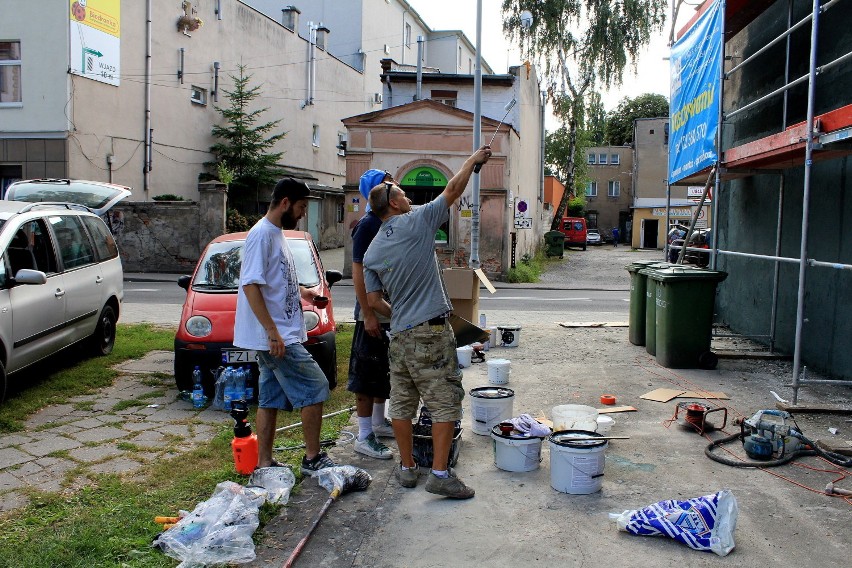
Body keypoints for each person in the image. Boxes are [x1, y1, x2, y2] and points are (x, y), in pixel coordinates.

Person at [362, 146, 492, 499]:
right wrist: (472, 161)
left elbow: (374, 302)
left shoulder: (373, 250)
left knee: (402, 403)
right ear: (392, 204)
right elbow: (452, 191)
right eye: (403, 194)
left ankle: (407, 469)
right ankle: (439, 473)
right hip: (430, 333)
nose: (408, 199)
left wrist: (402, 311)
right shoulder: (417, 223)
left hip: (399, 337)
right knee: (444, 401)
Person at [233, 177, 337, 476]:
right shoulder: (262, 235)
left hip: (280, 334)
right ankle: (312, 458)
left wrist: (306, 294)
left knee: (271, 398)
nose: (304, 213)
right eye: (302, 206)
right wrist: (271, 331)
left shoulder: (277, 233)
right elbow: (251, 285)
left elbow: (276, 281)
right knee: (316, 386)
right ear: (285, 203)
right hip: (277, 338)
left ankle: (264, 463)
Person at [348, 169, 396, 461]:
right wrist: (367, 314)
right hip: (370, 311)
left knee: (382, 371)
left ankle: (378, 423)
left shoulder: (385, 222)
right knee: (366, 374)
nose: (392, 186)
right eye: (386, 183)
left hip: (383, 307)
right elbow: (358, 273)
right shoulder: (367, 225)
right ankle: (364, 435)